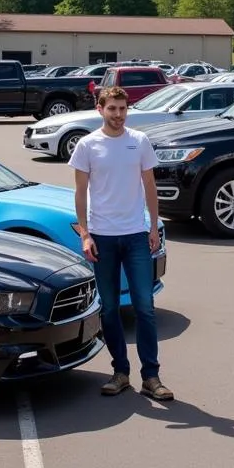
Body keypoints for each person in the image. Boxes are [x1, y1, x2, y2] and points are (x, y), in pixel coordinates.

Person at [71, 85, 173, 400]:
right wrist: (86, 235)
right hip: (103, 237)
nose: (118, 115)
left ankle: (151, 377)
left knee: (145, 306)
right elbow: (80, 193)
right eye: (112, 109)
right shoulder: (88, 146)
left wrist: (153, 227)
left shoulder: (139, 142)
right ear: (100, 109)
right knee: (110, 308)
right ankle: (120, 372)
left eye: (123, 109)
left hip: (136, 236)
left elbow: (150, 186)